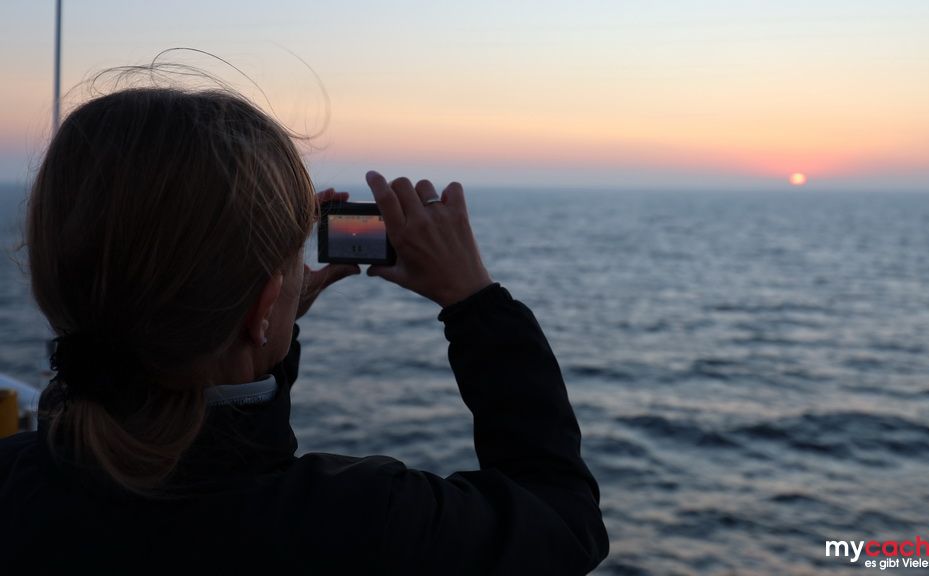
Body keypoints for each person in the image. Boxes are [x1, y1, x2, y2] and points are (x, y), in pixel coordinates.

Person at [0, 86, 608, 574]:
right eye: (292, 263)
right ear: (263, 306)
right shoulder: (368, 525)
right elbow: (562, 519)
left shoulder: (14, 480)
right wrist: (475, 302)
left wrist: (260, 329)